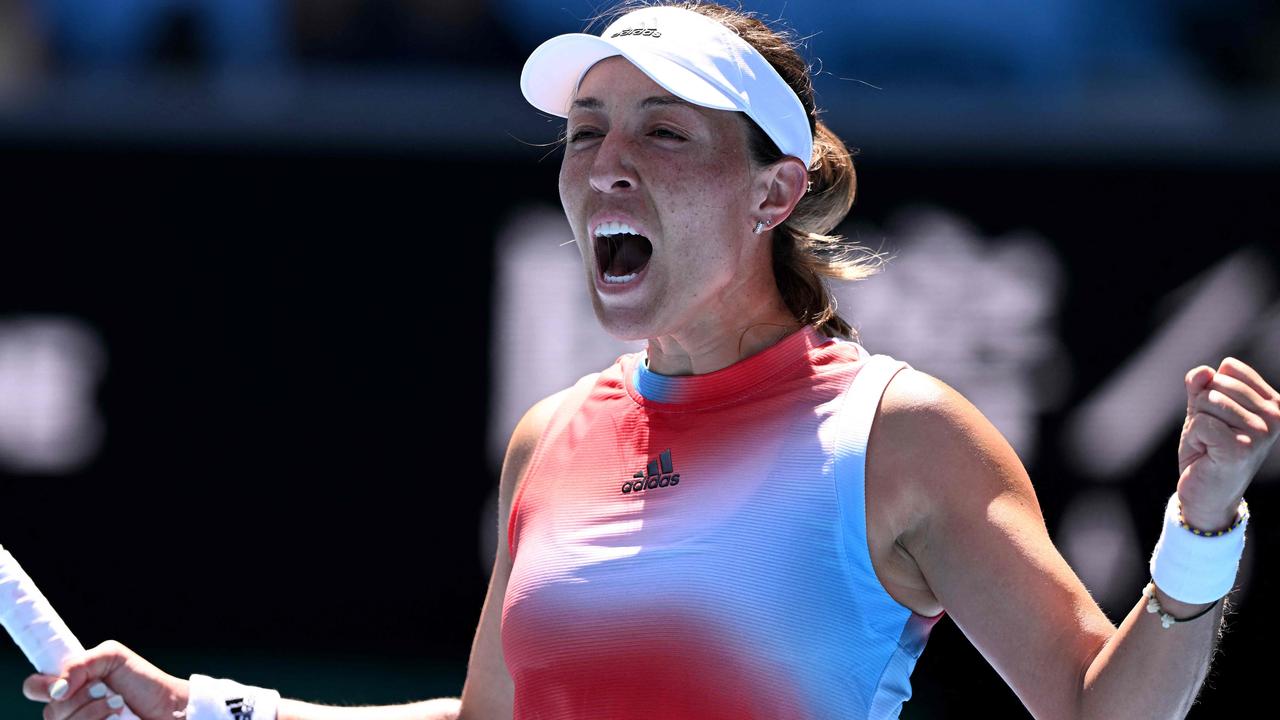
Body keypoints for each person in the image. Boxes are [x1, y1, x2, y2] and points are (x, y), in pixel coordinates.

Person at [21, 2, 1278, 719]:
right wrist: (208, 709)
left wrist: (1200, 525)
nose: (604, 163)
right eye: (584, 132)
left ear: (773, 191)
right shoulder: (552, 436)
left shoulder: (901, 433)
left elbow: (1102, 714)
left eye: (662, 133)